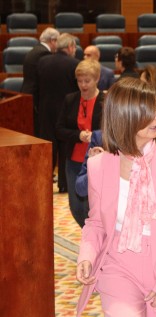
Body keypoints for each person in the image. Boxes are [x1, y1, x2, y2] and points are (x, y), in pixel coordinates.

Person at [76, 78, 156, 316]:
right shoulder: (98, 165)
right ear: (126, 117)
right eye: (150, 111)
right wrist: (87, 256)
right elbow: (95, 223)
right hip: (119, 268)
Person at [56, 59, 104, 228]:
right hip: (74, 160)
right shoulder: (70, 99)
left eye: (87, 81)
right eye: (79, 81)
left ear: (97, 78)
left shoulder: (105, 100)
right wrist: (78, 135)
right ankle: (90, 238)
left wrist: (96, 135)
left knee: (91, 207)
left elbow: (112, 131)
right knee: (75, 206)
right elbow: (59, 129)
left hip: (98, 162)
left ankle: (92, 244)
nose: (83, 85)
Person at [37, 33, 79, 193]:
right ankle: (64, 183)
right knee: (65, 147)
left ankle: (45, 183)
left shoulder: (42, 62)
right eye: (74, 47)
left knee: (48, 148)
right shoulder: (74, 64)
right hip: (66, 112)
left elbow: (37, 87)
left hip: (45, 112)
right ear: (69, 47)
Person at [21, 27, 60, 137]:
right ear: (53, 41)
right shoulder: (43, 54)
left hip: (28, 93)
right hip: (35, 98)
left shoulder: (35, 50)